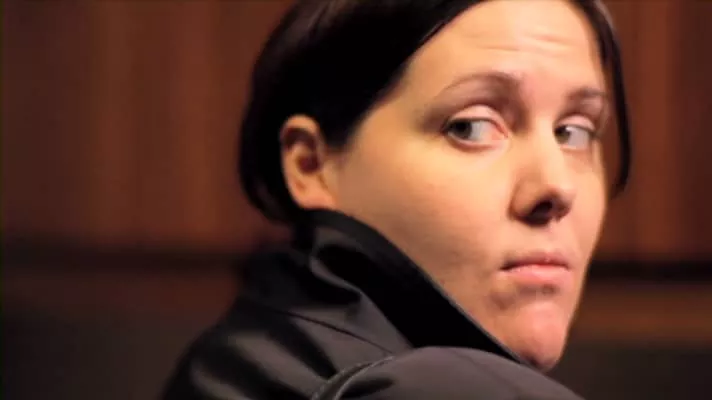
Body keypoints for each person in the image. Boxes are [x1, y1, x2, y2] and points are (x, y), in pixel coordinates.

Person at [164, 0, 631, 398]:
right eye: (470, 127)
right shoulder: (418, 387)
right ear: (311, 165)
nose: (556, 186)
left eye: (574, 132)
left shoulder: (238, 360)